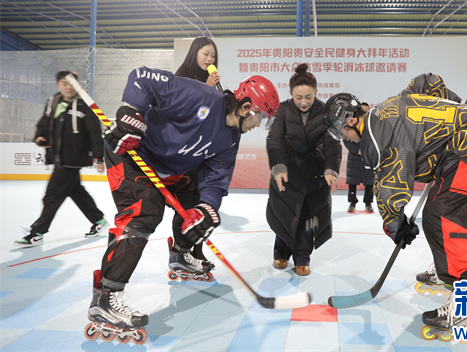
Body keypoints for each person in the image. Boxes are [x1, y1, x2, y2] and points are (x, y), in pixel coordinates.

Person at [86, 66, 279, 337]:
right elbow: (142, 77)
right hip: (131, 154)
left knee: (195, 201)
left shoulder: (230, 139)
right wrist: (131, 112)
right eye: (262, 117)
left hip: (168, 168)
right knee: (144, 212)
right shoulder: (199, 96)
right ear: (247, 107)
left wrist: (207, 209)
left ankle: (180, 254)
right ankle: (106, 297)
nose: (259, 124)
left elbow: (216, 181)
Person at [323, 84, 467, 333]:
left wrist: (396, 227)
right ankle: (446, 266)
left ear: (351, 120)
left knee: (444, 215)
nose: (343, 137)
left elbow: (391, 190)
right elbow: (427, 81)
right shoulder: (386, 108)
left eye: (341, 130)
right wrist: (455, 105)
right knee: (436, 213)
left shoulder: (379, 141)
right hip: (465, 143)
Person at [14, 70, 106, 248]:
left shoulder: (84, 106)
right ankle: (98, 220)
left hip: (74, 158)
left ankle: (37, 233)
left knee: (52, 196)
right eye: (64, 83)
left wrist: (100, 158)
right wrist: (39, 136)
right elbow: (44, 122)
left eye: (72, 83)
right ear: (58, 85)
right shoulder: (53, 102)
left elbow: (95, 133)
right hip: (58, 156)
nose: (69, 87)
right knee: (75, 191)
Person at [266, 63, 341, 276]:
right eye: (298, 97)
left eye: (308, 97)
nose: (304, 102)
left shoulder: (326, 111)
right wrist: (278, 167)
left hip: (315, 172)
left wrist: (330, 170)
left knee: (308, 216)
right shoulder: (282, 109)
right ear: (291, 94)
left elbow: (332, 143)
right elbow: (275, 140)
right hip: (287, 170)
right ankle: (281, 252)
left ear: (316, 92)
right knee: (284, 212)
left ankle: (302, 257)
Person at [172, 36, 224, 275]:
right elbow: (187, 115)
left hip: (205, 151)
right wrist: (207, 90)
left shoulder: (210, 81)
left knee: (203, 205)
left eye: (213, 55)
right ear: (194, 53)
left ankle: (197, 251)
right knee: (186, 204)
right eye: (205, 54)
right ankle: (180, 252)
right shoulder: (182, 79)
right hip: (185, 152)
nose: (210, 59)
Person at [344, 102, 375, 213]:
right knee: (352, 181)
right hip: (354, 158)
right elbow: (346, 140)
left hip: (368, 157)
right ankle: (352, 203)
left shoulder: (372, 126)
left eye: (366, 111)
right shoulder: (351, 124)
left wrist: (367, 151)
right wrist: (357, 150)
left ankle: (368, 203)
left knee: (369, 182)